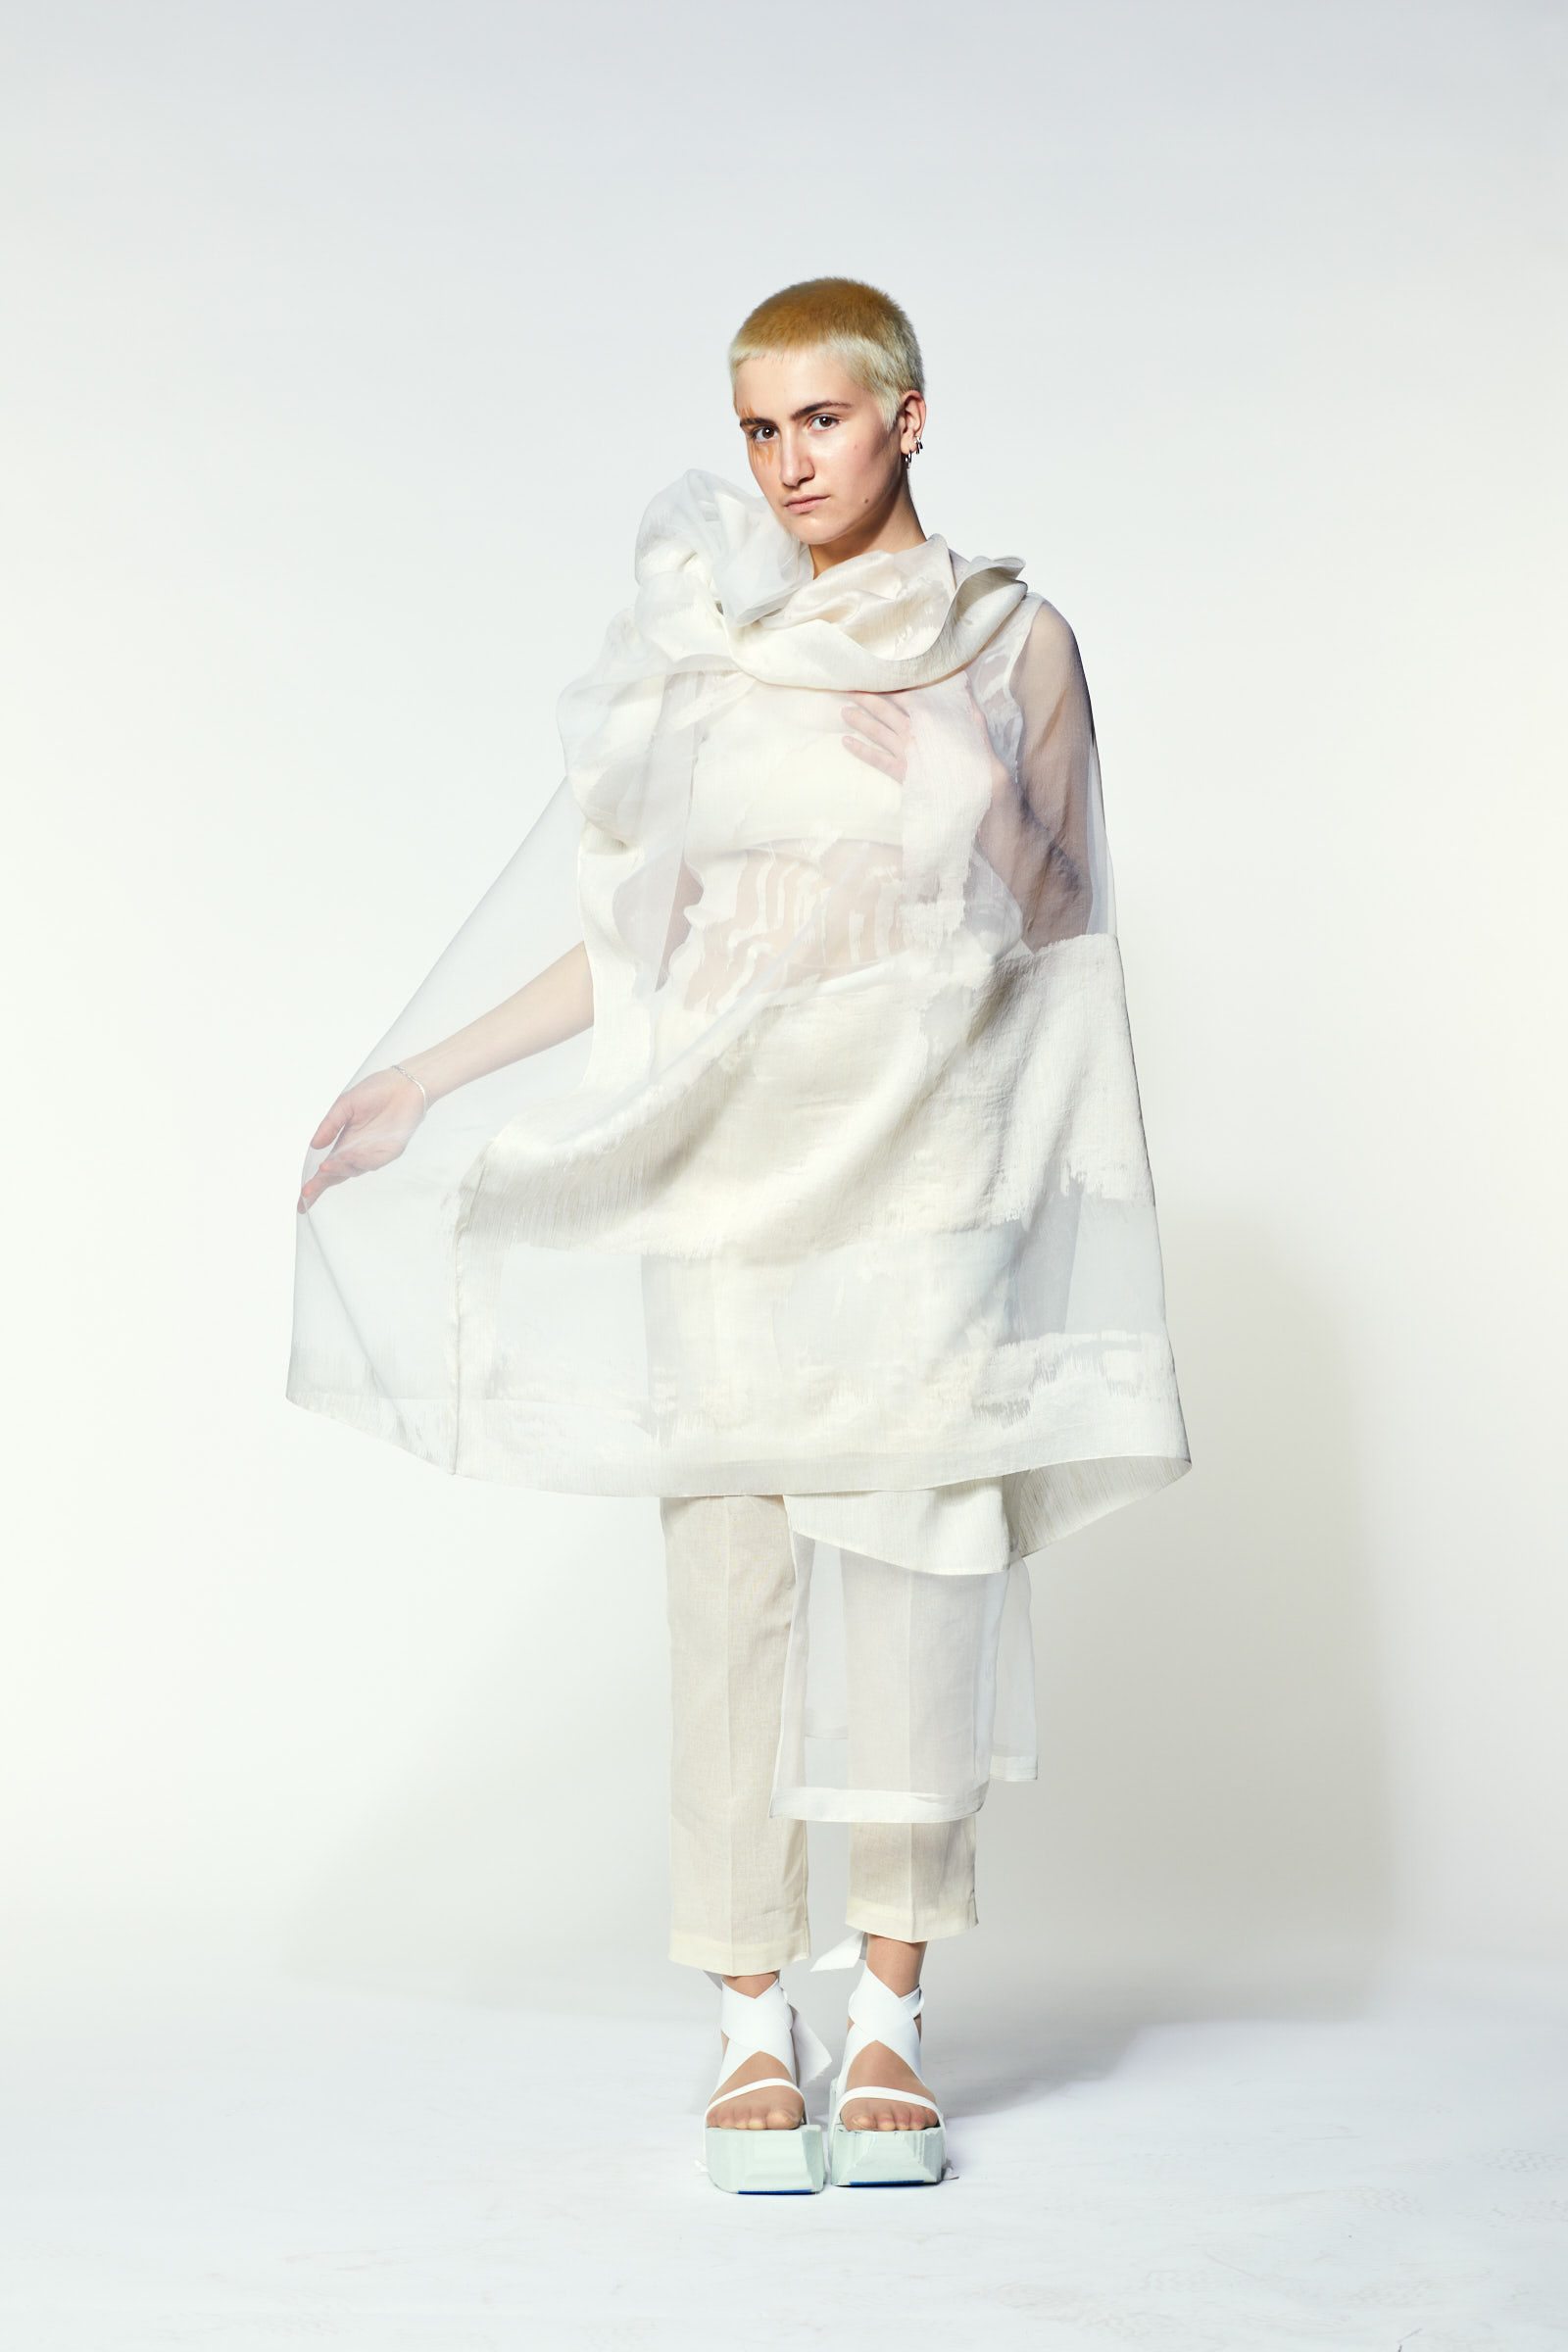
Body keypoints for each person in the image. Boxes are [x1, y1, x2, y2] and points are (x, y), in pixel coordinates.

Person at [289, 277, 1190, 2192]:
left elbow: (1062, 917)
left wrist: (960, 789)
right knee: (726, 1588)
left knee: (921, 1577)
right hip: (728, 1166)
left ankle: (889, 2016)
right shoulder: (718, 654)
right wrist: (425, 1076)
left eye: (822, 421)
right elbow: (642, 940)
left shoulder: (1011, 641)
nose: (788, 465)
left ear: (908, 419)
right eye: (759, 429)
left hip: (925, 1166)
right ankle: (745, 2019)